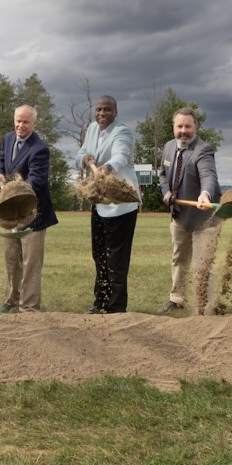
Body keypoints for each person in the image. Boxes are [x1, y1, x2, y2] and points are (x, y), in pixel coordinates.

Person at [76, 95, 140, 314]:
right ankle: (100, 302)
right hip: (100, 203)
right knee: (100, 255)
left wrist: (107, 168)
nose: (102, 114)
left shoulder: (122, 131)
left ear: (116, 111)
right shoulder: (92, 129)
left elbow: (121, 155)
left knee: (117, 258)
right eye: (99, 110)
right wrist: (84, 159)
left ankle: (115, 308)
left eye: (107, 110)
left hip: (122, 204)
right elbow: (81, 153)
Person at [157, 107, 223, 315]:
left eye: (188, 126)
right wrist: (166, 191)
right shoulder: (168, 147)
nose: (183, 130)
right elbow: (162, 173)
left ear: (195, 127)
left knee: (203, 264)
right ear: (174, 127)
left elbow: (208, 175)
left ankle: (204, 305)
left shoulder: (203, 149)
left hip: (205, 219)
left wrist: (205, 194)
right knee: (179, 259)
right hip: (179, 217)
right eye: (180, 126)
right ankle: (177, 299)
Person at [0, 105, 59, 313]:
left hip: (34, 213)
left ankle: (29, 307)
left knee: (30, 263)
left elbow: (36, 180)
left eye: (26, 122)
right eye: (18, 121)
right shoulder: (7, 138)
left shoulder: (39, 148)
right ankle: (12, 301)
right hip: (10, 213)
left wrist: (14, 190)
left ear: (34, 124)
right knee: (11, 258)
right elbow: (1, 160)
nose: (21, 125)